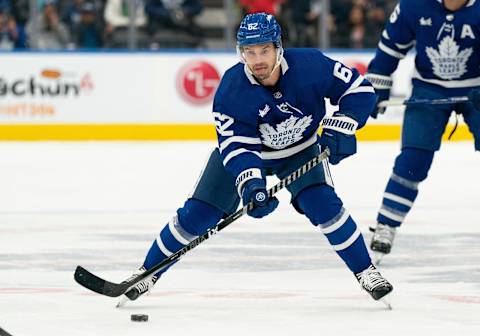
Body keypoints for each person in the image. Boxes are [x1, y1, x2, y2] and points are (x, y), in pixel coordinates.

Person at [118, 12, 393, 307]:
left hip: (300, 150)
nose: (257, 59)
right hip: (252, 155)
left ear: (278, 47)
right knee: (198, 214)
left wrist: (344, 122)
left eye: (264, 50)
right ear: (241, 53)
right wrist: (251, 185)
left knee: (324, 206)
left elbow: (360, 90)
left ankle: (366, 271)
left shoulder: (311, 65)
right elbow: (238, 146)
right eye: (250, 52)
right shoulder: (232, 89)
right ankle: (147, 273)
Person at [366, 0, 480, 261]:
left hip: (477, 88)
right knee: (412, 160)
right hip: (429, 88)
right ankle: (386, 225)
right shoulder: (413, 5)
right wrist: (376, 86)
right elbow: (390, 48)